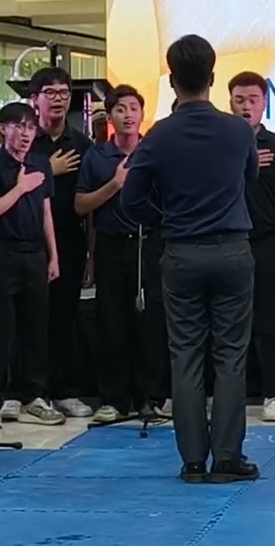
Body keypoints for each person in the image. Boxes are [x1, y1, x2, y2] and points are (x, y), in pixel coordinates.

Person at [121, 34, 259, 484]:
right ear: (213, 78)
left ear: (173, 79)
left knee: (185, 356)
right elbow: (249, 181)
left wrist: (165, 220)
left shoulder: (159, 135)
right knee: (231, 356)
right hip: (232, 249)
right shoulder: (239, 129)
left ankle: (193, 461)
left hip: (180, 250)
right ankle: (227, 457)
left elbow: (131, 200)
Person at [76, 85, 169, 422]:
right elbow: (81, 205)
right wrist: (114, 185)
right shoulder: (96, 156)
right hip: (112, 245)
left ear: (142, 114)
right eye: (120, 109)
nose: (128, 115)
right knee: (111, 322)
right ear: (110, 116)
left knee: (152, 323)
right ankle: (114, 399)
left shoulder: (156, 151)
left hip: (150, 243)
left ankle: (151, 398)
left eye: (134, 108)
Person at [0, 102, 65, 428]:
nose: (25, 134)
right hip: (2, 253)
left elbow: (45, 213)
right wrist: (19, 187)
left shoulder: (40, 164)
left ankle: (34, 396)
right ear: (3, 129)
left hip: (35, 254)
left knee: (36, 329)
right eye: (18, 126)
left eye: (30, 128)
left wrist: (53, 254)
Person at [228, 72, 275, 422]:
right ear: (229, 102)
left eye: (252, 100)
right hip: (227, 241)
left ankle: (273, 394)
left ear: (264, 103)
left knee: (270, 321)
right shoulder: (220, 141)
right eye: (239, 99)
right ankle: (229, 395)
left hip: (268, 242)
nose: (246, 106)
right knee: (228, 322)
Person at [26, 67, 95, 420]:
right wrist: (46, 172)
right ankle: (29, 393)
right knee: (28, 319)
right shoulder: (23, 140)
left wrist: (90, 255)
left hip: (69, 241)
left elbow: (91, 205)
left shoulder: (81, 145)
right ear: (34, 99)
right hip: (26, 244)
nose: (57, 99)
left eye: (63, 93)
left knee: (64, 318)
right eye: (50, 92)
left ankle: (65, 390)